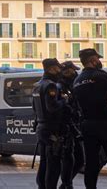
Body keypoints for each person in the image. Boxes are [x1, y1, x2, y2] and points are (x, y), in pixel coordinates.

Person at [72, 49, 107, 189]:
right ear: (93, 60)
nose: (99, 61)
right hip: (105, 124)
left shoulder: (77, 80)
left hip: (87, 125)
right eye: (97, 58)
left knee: (91, 162)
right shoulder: (102, 76)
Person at [33, 58, 74, 189]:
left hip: (41, 127)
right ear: (51, 69)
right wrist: (65, 100)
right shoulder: (51, 86)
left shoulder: (37, 85)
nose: (59, 71)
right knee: (53, 164)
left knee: (44, 162)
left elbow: (35, 108)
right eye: (57, 68)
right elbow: (52, 107)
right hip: (52, 129)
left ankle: (41, 186)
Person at [59, 61, 84, 181]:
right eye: (72, 70)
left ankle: (66, 183)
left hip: (73, 125)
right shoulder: (60, 86)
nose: (75, 72)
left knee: (77, 160)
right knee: (70, 160)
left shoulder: (71, 85)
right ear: (66, 71)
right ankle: (66, 184)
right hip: (66, 128)